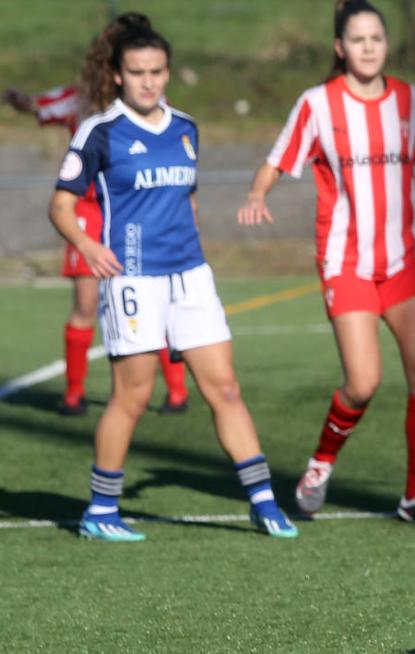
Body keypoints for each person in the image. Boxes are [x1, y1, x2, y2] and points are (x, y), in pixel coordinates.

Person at [238, 0, 415, 522]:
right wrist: (258, 194)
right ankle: (321, 462)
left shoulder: (408, 99)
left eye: (376, 38)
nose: (368, 47)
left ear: (386, 44)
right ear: (340, 48)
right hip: (346, 261)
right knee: (363, 382)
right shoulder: (318, 104)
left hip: (406, 261)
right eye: (358, 40)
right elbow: (278, 159)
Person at [49, 21, 297, 542]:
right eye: (136, 73)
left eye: (156, 72)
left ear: (167, 71)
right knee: (133, 397)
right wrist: (89, 245)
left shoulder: (186, 127)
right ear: (117, 76)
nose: (147, 82)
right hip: (133, 276)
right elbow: (61, 204)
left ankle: (263, 501)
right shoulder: (99, 131)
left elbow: (189, 198)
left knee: (225, 388)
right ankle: (99, 511)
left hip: (191, 276)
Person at [5, 12, 190, 417]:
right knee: (86, 301)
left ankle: (176, 389)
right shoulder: (81, 101)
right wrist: (19, 100)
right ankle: (74, 393)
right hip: (88, 209)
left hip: (135, 209)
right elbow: (40, 105)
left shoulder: (156, 105)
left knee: (153, 296)